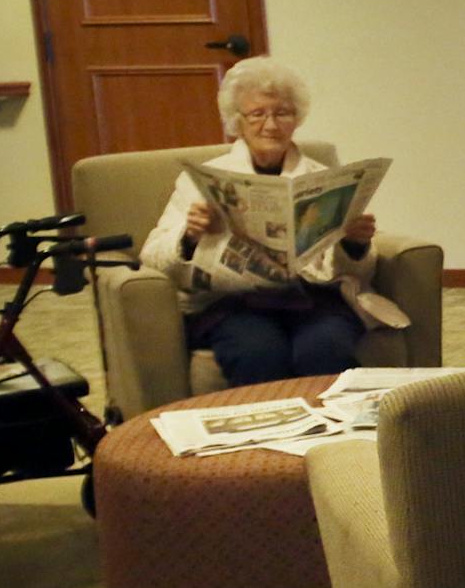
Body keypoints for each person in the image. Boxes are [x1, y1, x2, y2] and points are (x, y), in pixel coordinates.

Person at [141, 58, 384, 386]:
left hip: (311, 299)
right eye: (257, 114)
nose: (270, 125)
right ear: (237, 122)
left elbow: (356, 273)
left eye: (282, 113)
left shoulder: (321, 179)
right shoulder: (201, 181)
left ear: (296, 119)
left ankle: (333, 434)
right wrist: (190, 237)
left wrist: (355, 245)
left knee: (326, 348)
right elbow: (152, 255)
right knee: (258, 352)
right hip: (235, 305)